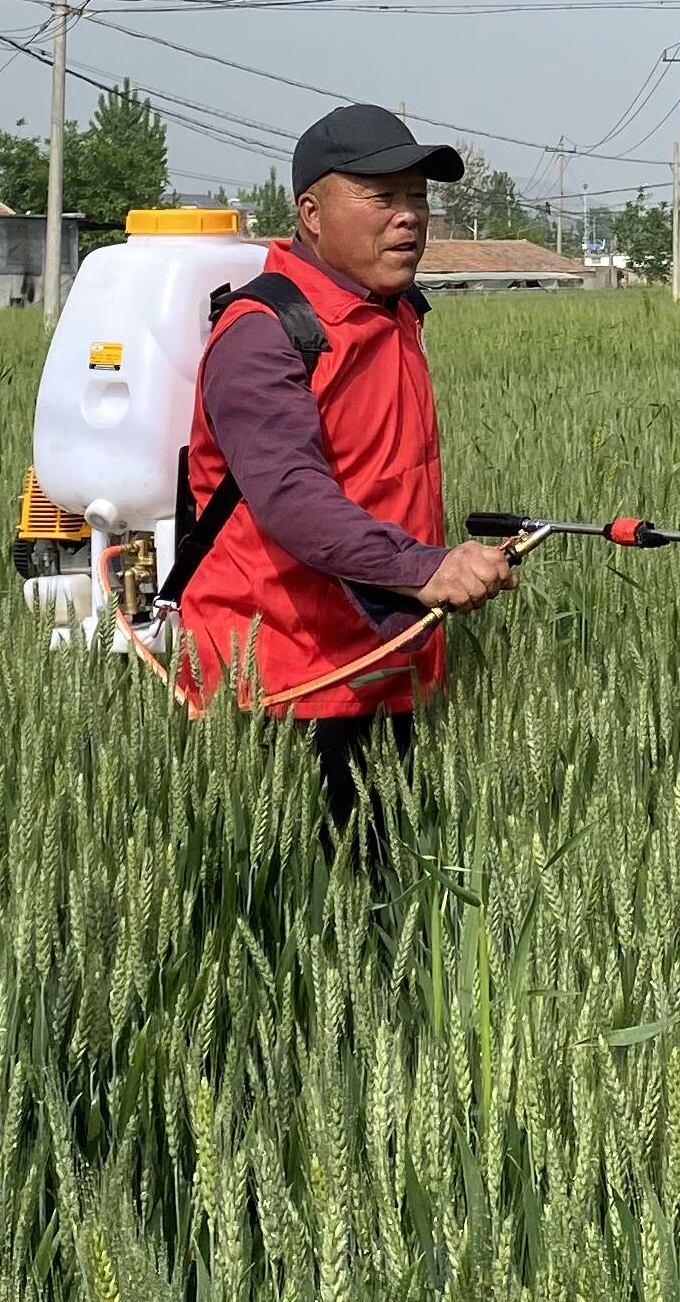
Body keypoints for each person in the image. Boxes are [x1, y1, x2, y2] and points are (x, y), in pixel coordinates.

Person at [174, 103, 515, 838]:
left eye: (418, 198)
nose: (408, 218)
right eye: (382, 197)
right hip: (289, 687)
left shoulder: (392, 312)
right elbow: (292, 499)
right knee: (303, 916)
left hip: (390, 668)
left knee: (386, 917)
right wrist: (426, 567)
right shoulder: (264, 336)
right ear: (311, 212)